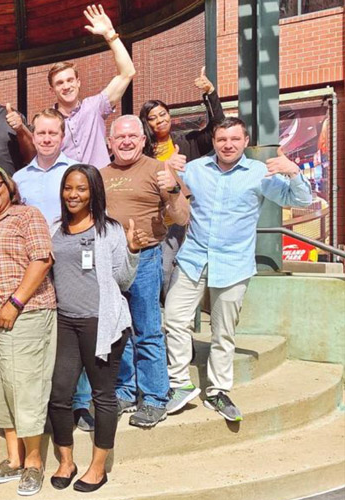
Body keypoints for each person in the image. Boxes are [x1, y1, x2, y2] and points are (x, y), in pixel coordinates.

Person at [164, 117, 312, 421]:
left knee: (223, 332)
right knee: (174, 320)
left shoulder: (260, 173)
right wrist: (166, 166)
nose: (227, 145)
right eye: (221, 140)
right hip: (193, 258)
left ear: (245, 142)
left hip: (233, 264)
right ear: (214, 142)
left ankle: (217, 391)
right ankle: (180, 383)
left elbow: (301, 199)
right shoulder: (195, 169)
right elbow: (163, 190)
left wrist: (294, 171)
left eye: (234, 139)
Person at [47, 164, 145, 493]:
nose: (73, 195)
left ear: (93, 193)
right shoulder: (55, 228)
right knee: (59, 394)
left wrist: (132, 251)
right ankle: (66, 460)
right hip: (66, 323)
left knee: (103, 397)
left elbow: (122, 280)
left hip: (101, 323)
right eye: (68, 188)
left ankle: (98, 466)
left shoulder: (109, 230)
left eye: (81, 189)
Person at [0, 165, 55, 496]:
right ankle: (13, 458)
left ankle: (34, 462)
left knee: (25, 385)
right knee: (0, 386)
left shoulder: (28, 215)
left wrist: (13, 304)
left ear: (8, 185)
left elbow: (42, 259)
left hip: (27, 313)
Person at [100, 115, 190, 428]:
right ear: (110, 142)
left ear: (142, 140)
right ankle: (126, 389)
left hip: (146, 258)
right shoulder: (100, 174)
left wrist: (174, 191)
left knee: (147, 329)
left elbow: (181, 218)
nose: (125, 142)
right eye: (119, 137)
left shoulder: (159, 169)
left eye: (132, 137)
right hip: (110, 261)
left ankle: (154, 397)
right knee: (119, 331)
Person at [13, 108, 95, 432]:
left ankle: (81, 402)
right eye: (41, 133)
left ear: (62, 137)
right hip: (34, 268)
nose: (47, 139)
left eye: (53, 134)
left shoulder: (75, 175)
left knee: (80, 330)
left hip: (72, 263)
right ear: (33, 136)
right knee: (43, 336)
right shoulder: (20, 179)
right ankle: (48, 402)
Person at [139, 66, 225, 295]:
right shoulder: (142, 149)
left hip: (176, 220)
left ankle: (168, 322)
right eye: (152, 118)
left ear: (170, 115)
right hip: (149, 220)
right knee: (151, 273)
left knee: (167, 271)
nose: (159, 121)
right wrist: (167, 165)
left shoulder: (187, 141)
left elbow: (217, 127)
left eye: (162, 114)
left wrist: (210, 93)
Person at [49, 4, 136, 168]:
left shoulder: (95, 106)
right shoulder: (48, 121)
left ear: (78, 82)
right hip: (69, 190)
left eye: (70, 80)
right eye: (60, 83)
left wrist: (110, 35)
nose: (66, 86)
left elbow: (127, 72)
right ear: (52, 90)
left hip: (100, 185)